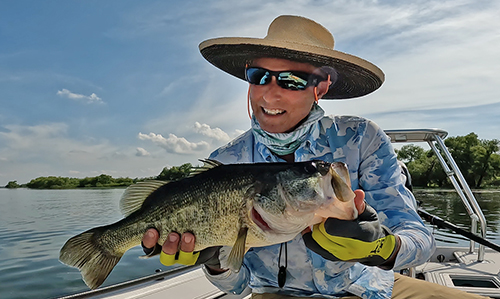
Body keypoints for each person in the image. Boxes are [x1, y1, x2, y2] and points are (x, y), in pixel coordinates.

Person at [141, 15, 488, 299]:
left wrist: (382, 247)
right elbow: (240, 287)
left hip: (368, 288)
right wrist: (216, 264)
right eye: (259, 76)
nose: (271, 92)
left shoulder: (361, 138)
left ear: (321, 87)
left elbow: (419, 237)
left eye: (292, 80)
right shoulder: (224, 162)